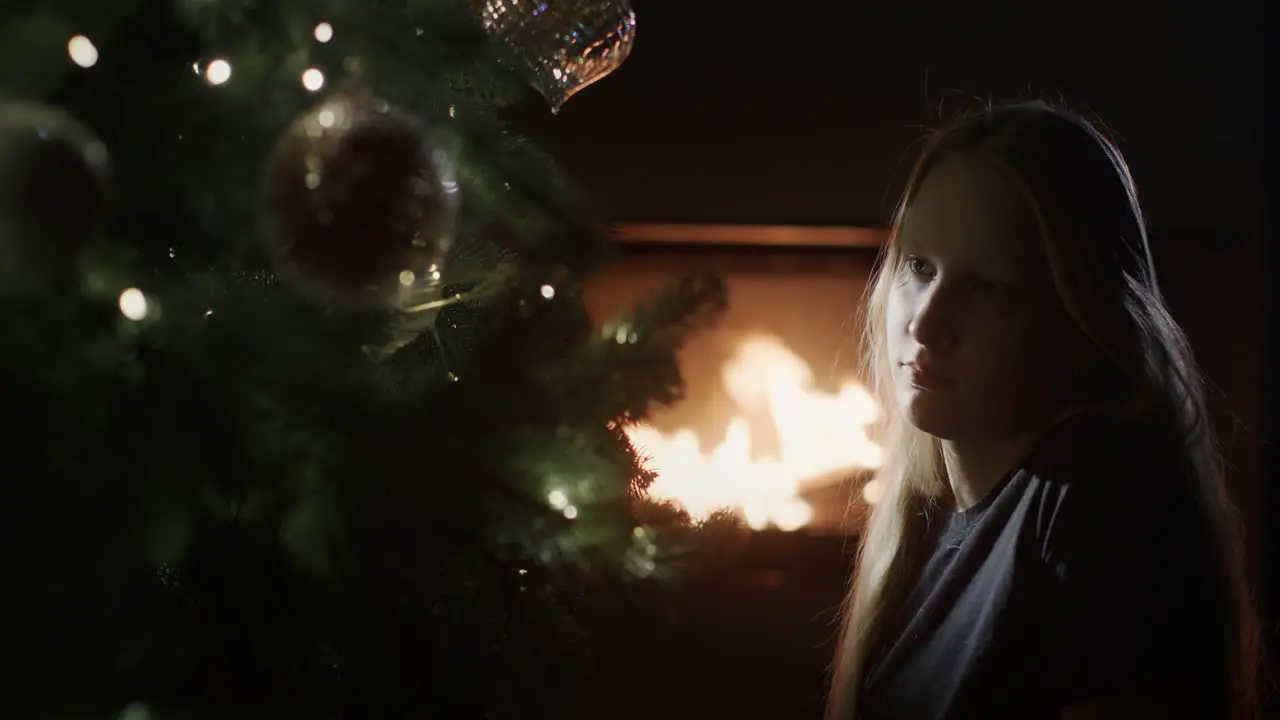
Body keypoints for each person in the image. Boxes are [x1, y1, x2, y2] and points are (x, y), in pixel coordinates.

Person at [824, 101, 1264, 719]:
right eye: (919, 267)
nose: (926, 323)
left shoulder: (1104, 498)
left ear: (1084, 326)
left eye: (987, 287)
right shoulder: (930, 517)